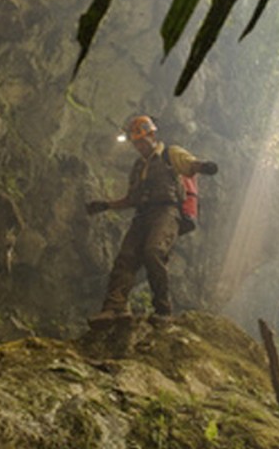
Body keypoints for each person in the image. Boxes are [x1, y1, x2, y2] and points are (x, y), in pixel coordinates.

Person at [86, 114, 218, 323]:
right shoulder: (139, 167)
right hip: (142, 215)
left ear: (152, 135)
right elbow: (132, 198)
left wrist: (202, 166)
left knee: (153, 251)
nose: (140, 145)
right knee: (126, 257)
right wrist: (106, 205)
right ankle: (115, 308)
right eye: (136, 142)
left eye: (142, 140)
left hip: (167, 212)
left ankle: (163, 309)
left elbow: (189, 164)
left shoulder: (169, 154)